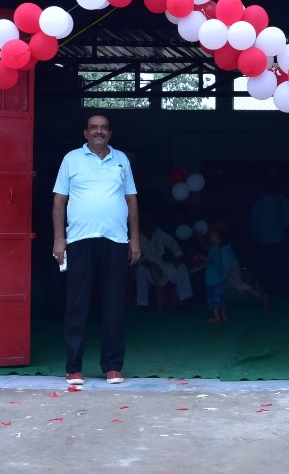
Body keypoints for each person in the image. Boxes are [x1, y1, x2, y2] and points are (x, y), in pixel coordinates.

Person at [52, 112, 140, 386]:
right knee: (77, 304)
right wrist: (59, 239)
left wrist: (135, 239)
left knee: (114, 305)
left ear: (110, 134)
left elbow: (131, 200)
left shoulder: (121, 160)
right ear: (85, 133)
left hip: (116, 240)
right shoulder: (71, 159)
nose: (98, 131)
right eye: (93, 127)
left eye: (103, 128)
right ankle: (73, 368)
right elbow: (59, 200)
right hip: (79, 240)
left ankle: (113, 367)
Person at [196, 225, 263, 324]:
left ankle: (216, 315)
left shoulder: (215, 246)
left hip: (223, 267)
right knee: (237, 284)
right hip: (233, 263)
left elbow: (207, 249)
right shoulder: (225, 240)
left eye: (214, 234)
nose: (211, 235)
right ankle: (259, 296)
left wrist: (199, 237)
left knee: (214, 289)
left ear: (218, 238)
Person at [135, 209, 194, 308]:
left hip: (161, 265)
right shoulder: (137, 235)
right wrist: (152, 265)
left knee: (181, 267)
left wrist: (178, 258)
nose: (150, 222)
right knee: (139, 270)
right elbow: (136, 256)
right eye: (147, 220)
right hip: (146, 266)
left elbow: (172, 243)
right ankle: (142, 303)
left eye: (151, 220)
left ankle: (184, 299)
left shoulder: (158, 233)